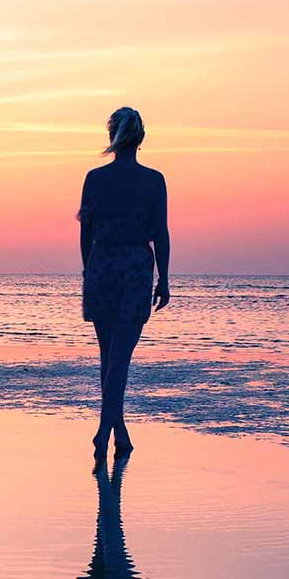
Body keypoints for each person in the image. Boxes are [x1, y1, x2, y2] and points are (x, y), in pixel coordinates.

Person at [78, 106, 170, 460]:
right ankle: (104, 431)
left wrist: (89, 270)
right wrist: (164, 278)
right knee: (119, 359)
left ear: (112, 138)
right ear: (141, 138)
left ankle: (120, 432)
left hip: (102, 264)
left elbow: (86, 231)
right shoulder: (153, 180)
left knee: (109, 357)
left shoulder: (95, 178)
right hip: (134, 266)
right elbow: (160, 232)